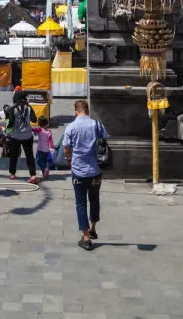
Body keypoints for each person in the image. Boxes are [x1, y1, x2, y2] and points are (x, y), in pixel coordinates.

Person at [63, 99, 106, 251]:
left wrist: (69, 160)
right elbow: (104, 141)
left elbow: (66, 147)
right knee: (94, 198)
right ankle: (93, 228)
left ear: (76, 112)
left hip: (79, 171)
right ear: (87, 111)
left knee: (81, 203)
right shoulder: (97, 124)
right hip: (96, 171)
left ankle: (86, 238)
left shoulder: (71, 127)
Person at [5, 90, 38, 183]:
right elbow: (34, 119)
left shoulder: (12, 109)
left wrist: (7, 128)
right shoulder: (29, 107)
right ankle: (33, 175)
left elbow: (10, 123)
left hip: (15, 136)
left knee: (13, 155)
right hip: (27, 136)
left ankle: (12, 173)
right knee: (29, 155)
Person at [32, 115, 56, 180]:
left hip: (40, 150)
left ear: (39, 124)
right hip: (47, 150)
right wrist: (52, 148)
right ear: (47, 124)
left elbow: (33, 129)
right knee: (45, 162)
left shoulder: (40, 130)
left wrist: (28, 127)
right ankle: (45, 173)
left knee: (38, 160)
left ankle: (45, 169)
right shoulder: (49, 132)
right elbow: (51, 141)